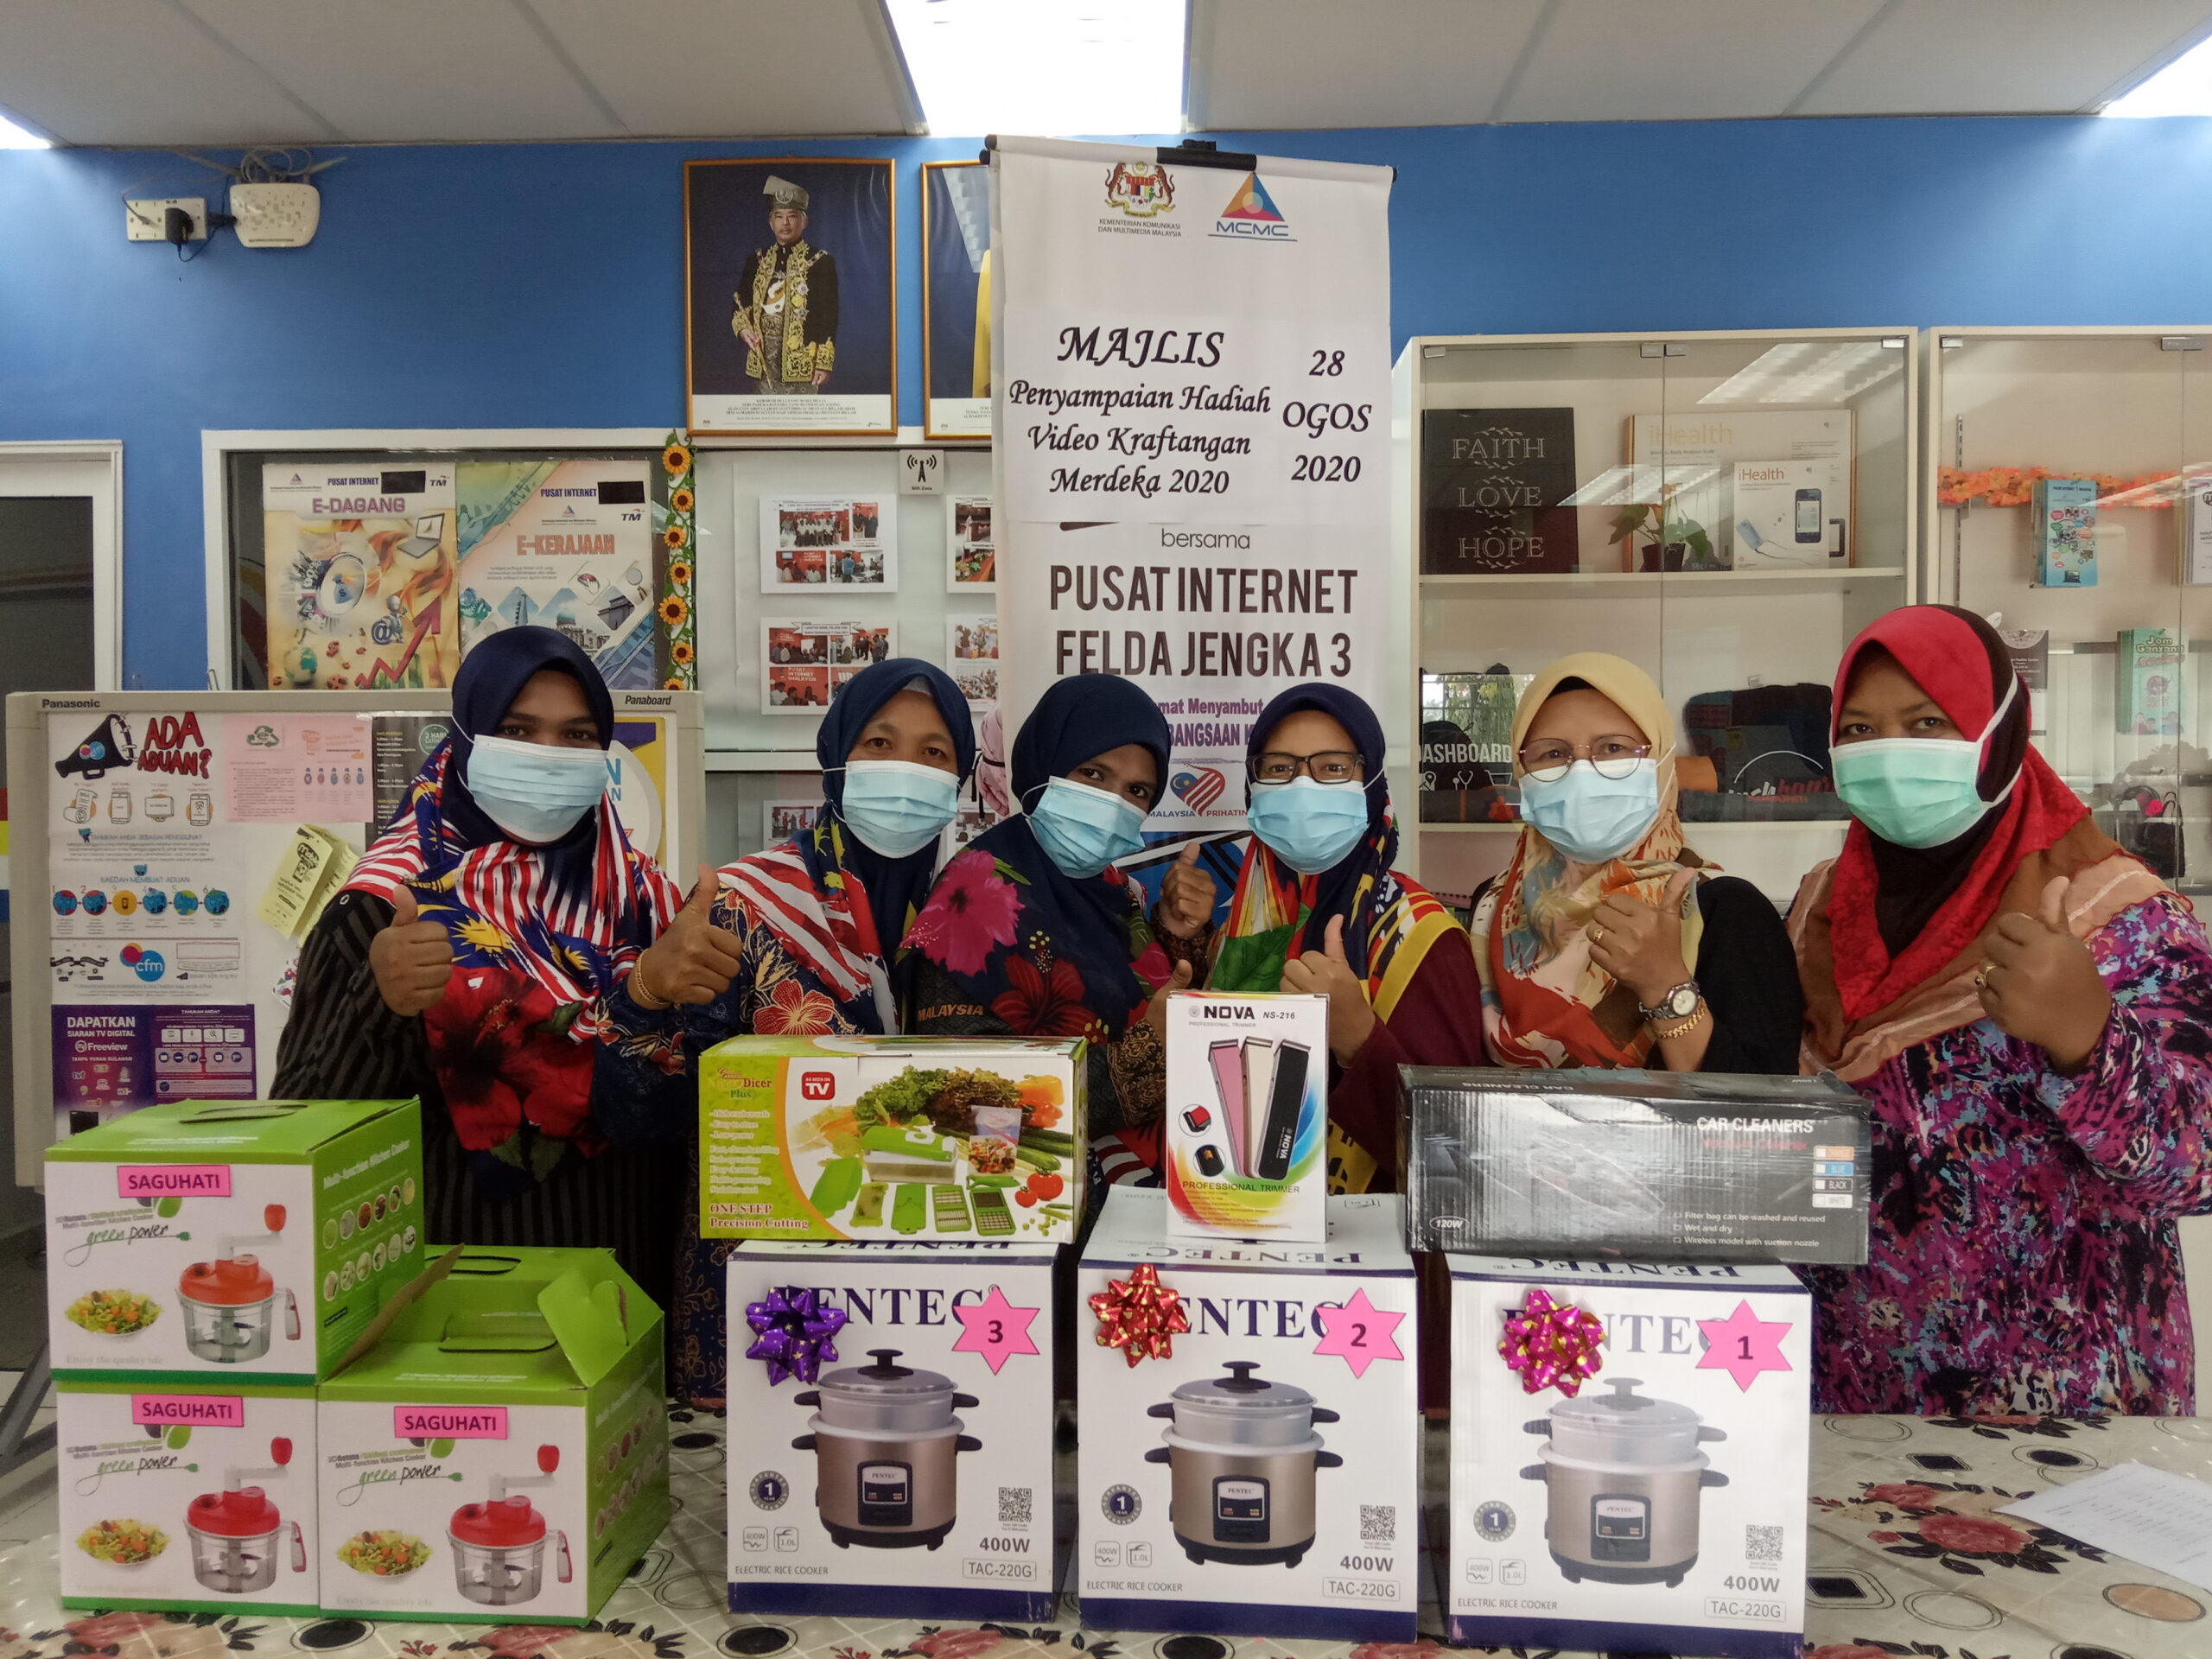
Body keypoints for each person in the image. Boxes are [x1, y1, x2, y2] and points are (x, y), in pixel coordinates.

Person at [1793, 605, 2212, 1415]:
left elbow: (2198, 1168)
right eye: (1860, 729)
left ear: (2001, 735)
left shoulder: (2120, 916)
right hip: (1847, 1397)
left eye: (1927, 722)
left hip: (2062, 1413)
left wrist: (2088, 1038)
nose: (1892, 752)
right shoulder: (1819, 909)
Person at [594, 658, 976, 1403]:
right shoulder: (742, 907)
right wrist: (644, 995)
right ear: (835, 757)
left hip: (924, 1294)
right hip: (762, 1298)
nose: (906, 769)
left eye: (934, 752)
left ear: (959, 779)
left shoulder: (969, 918)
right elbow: (642, 1122)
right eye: (879, 743)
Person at [272, 627, 683, 1302]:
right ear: (464, 741)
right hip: (467, 1292)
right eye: (516, 730)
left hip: (626, 1284)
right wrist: (381, 999)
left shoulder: (645, 901)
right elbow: (304, 1119)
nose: (547, 755)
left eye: (578, 735)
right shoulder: (385, 906)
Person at [905, 675, 1216, 1173]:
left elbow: (1135, 1002)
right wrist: (1145, 1058)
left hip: (1151, 1184)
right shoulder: (973, 900)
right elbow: (967, 1112)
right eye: (1093, 773)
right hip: (1041, 1200)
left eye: (1137, 790)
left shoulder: (1115, 889)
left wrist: (1174, 935)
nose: (1114, 801)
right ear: (1043, 764)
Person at [1210, 683, 1484, 1193]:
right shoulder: (1243, 925)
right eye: (1279, 768)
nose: (1302, 785)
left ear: (1373, 783)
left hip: (1372, 1231)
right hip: (1235, 1204)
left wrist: (1360, 1040)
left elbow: (1460, 1152)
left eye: (1333, 767)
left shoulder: (1422, 937)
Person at [1472, 652, 1802, 1073]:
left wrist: (1665, 986)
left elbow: (1769, 1102)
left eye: (1613, 748)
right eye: (1552, 753)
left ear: (1661, 762)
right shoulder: (1493, 908)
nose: (1582, 772)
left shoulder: (1726, 912)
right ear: (1522, 772)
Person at [733, 174, 837, 395]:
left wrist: (823, 362)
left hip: (803, 362)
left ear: (804, 221)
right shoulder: (757, 260)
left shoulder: (821, 261)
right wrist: (743, 330)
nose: (786, 223)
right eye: (779, 217)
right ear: (771, 223)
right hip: (763, 360)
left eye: (792, 216)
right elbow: (740, 304)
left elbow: (829, 315)